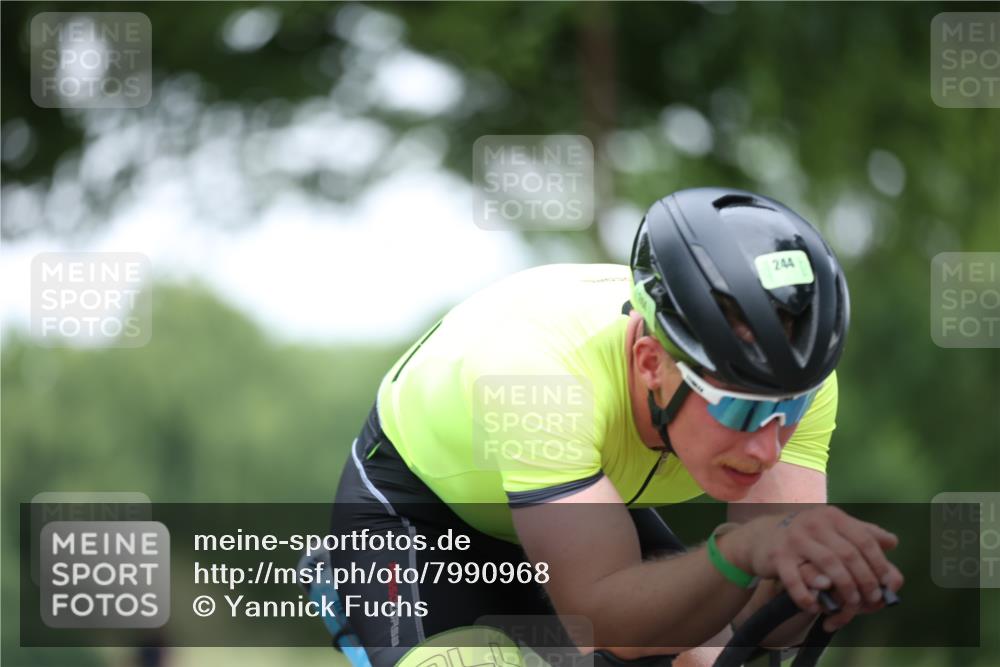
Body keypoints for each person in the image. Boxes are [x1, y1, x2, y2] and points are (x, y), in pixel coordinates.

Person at [329, 187, 904, 667]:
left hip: (582, 502)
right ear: (651, 363)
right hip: (420, 515)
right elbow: (604, 620)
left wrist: (812, 577)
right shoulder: (538, 372)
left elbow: (767, 628)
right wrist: (745, 548)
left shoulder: (798, 379)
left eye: (788, 412)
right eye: (738, 409)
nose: (766, 448)